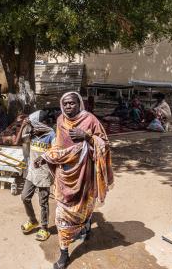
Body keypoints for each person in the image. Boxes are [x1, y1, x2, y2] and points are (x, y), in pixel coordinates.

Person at [37, 92, 113, 269]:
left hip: (85, 177)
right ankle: (64, 253)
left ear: (79, 104)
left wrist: (87, 137)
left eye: (72, 103)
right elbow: (58, 146)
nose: (68, 107)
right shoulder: (60, 121)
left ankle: (84, 225)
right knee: (61, 215)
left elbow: (105, 144)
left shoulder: (91, 120)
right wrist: (45, 156)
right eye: (65, 104)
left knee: (85, 209)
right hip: (64, 175)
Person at [20, 110, 55, 242]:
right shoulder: (32, 133)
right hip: (32, 173)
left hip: (44, 174)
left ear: (43, 123)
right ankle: (32, 220)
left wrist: (46, 159)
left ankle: (44, 228)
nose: (33, 128)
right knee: (24, 197)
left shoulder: (51, 135)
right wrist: (23, 126)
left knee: (43, 202)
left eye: (35, 125)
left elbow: (56, 153)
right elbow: (19, 141)